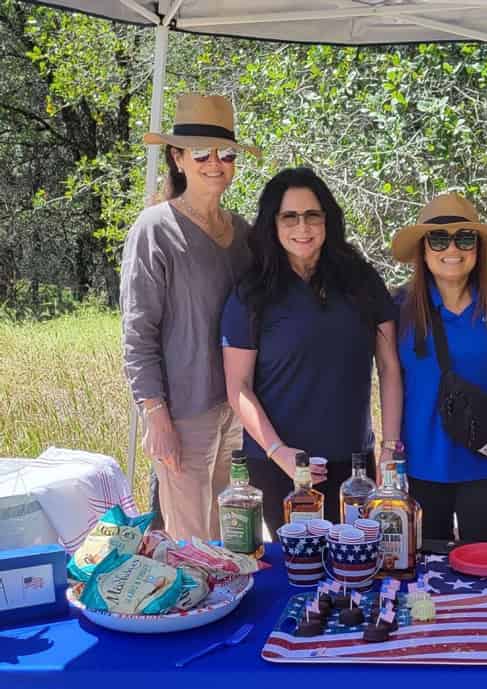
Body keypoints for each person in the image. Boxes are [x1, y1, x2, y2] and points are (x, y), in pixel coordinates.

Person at [221, 166, 402, 536]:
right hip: (279, 465)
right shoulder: (251, 293)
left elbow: (389, 368)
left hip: (353, 466)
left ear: (327, 220)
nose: (302, 227)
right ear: (272, 223)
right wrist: (279, 452)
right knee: (296, 566)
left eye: (312, 215)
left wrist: (389, 449)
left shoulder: (362, 281)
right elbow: (238, 387)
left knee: (356, 559)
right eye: (289, 216)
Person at [121, 93, 257, 541]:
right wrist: (155, 415)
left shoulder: (245, 234)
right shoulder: (154, 229)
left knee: (232, 542)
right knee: (192, 547)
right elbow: (138, 333)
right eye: (200, 153)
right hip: (182, 413)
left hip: (237, 410)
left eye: (226, 153)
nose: (214, 163)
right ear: (177, 159)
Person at [390, 193, 487, 543]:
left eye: (465, 238)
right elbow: (386, 375)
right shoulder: (398, 307)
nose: (453, 249)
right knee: (424, 568)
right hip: (420, 463)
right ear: (423, 248)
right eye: (439, 239)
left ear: (478, 247)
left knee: (484, 564)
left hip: (485, 461)